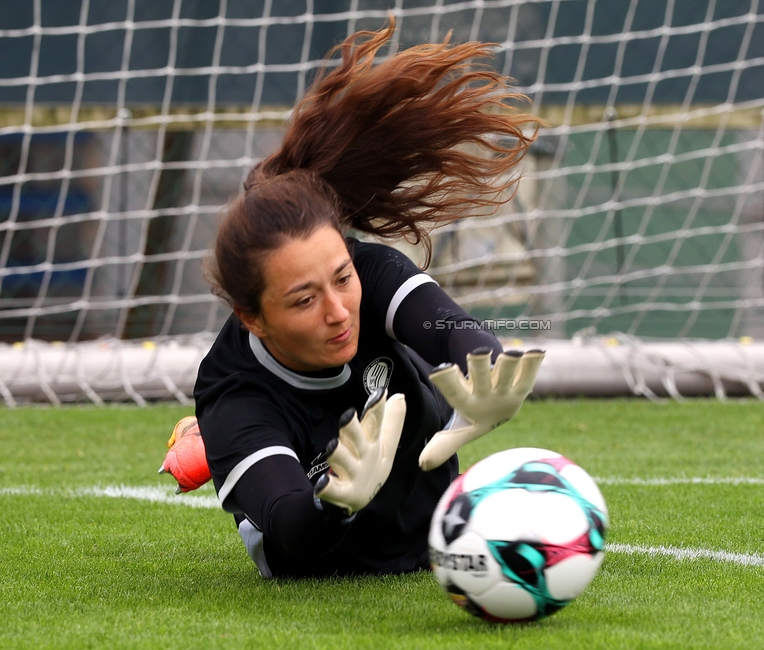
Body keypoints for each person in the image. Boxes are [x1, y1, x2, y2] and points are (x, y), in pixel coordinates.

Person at [158, 19, 545, 580]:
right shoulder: (234, 395)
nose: (339, 311)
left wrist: (486, 379)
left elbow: (450, 332)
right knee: (248, 454)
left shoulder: (370, 269)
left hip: (433, 538)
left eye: (340, 278)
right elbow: (294, 528)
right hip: (331, 571)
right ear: (252, 318)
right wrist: (335, 503)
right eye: (302, 300)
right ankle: (216, 449)